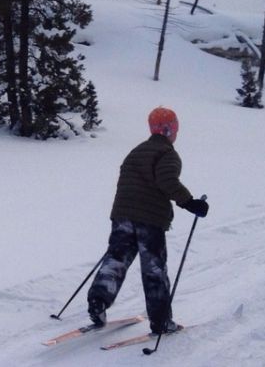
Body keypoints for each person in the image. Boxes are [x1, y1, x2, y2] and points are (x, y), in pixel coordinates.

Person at [86, 106, 208, 335]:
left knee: (116, 259)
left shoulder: (137, 151)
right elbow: (166, 180)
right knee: (154, 270)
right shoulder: (167, 153)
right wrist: (190, 202)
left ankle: (98, 301)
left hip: (122, 214)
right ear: (171, 129)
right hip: (149, 220)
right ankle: (161, 322)